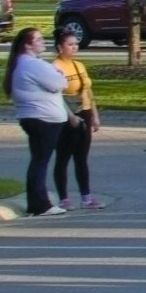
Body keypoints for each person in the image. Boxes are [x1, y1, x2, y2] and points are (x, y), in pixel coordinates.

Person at [3, 28, 71, 217]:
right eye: (38, 39)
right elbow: (60, 83)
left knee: (38, 160)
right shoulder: (32, 64)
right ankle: (41, 204)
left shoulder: (25, 63)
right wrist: (59, 75)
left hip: (36, 117)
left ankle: (35, 203)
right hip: (43, 119)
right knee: (40, 162)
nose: (43, 42)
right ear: (27, 44)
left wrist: (57, 74)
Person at [51, 25, 102, 210]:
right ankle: (63, 197)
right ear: (60, 47)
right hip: (66, 115)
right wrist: (70, 116)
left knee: (82, 157)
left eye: (76, 44)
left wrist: (94, 115)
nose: (74, 47)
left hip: (84, 111)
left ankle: (86, 196)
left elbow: (88, 90)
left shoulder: (79, 65)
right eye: (70, 44)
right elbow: (55, 95)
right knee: (63, 157)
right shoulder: (55, 67)